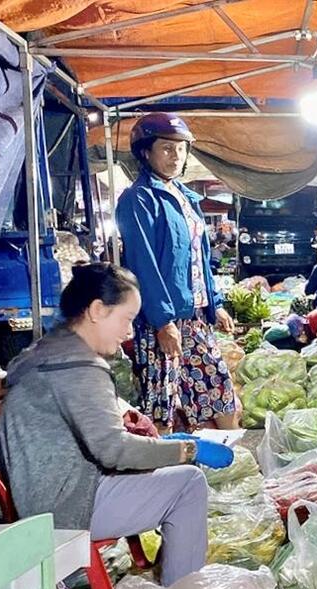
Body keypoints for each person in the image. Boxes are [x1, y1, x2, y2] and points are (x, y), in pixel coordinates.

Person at [0, 263, 234, 585]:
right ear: (96, 310)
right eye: (126, 319)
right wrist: (189, 449)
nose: (129, 332)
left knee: (165, 468)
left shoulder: (41, 352)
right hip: (66, 508)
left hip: (37, 495)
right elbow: (114, 451)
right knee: (188, 484)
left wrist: (161, 447)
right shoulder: (80, 367)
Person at [116, 113, 238, 433]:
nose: (175, 156)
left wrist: (216, 302)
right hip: (164, 320)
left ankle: (231, 462)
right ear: (146, 152)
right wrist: (162, 321)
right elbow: (142, 264)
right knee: (164, 401)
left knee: (219, 389)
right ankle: (167, 471)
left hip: (196, 315)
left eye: (181, 149)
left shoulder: (187, 197)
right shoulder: (137, 199)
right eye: (166, 148)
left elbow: (200, 256)